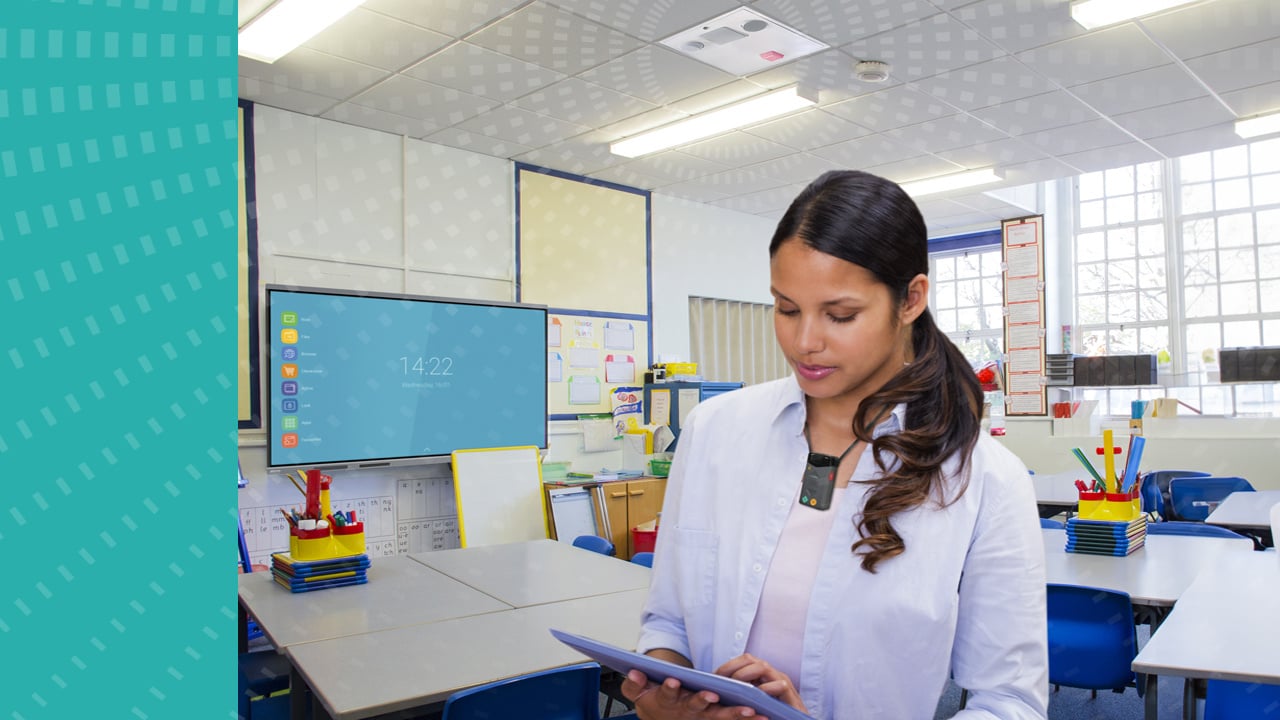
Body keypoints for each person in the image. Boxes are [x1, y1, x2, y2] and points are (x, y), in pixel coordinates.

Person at [622, 170, 1048, 719]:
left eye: (840, 315)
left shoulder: (982, 480)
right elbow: (668, 621)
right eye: (786, 308)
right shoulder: (713, 432)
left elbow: (1008, 704)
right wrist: (667, 697)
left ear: (911, 299)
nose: (805, 343)